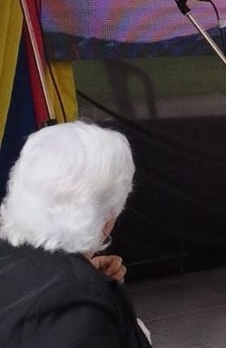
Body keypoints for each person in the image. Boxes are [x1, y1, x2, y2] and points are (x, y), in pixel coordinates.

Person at [0, 121, 151, 347]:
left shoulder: (10, 258)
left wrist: (82, 272)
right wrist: (83, 284)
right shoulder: (79, 307)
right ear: (108, 215)